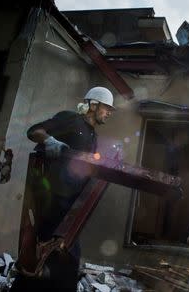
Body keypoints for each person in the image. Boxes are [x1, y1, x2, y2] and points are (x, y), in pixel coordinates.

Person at [11, 86, 115, 291]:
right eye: (107, 107)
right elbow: (33, 131)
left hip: (70, 204)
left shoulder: (92, 135)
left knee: (52, 256)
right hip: (53, 199)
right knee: (64, 257)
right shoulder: (70, 119)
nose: (109, 112)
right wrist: (49, 140)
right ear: (93, 105)